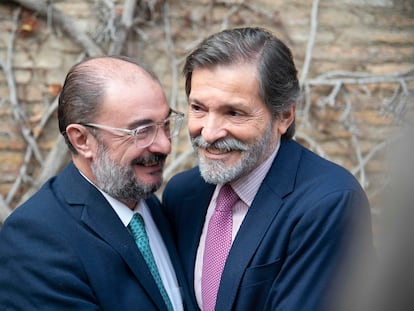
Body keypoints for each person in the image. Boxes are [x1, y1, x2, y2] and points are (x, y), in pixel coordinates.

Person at [162, 27, 374, 311]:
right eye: (198, 108)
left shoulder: (328, 202)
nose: (209, 132)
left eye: (234, 113)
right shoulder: (182, 195)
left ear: (284, 115)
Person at [0, 56, 197, 310]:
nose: (165, 145)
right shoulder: (36, 240)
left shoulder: (152, 206)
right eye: (141, 131)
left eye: (166, 124)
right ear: (82, 140)